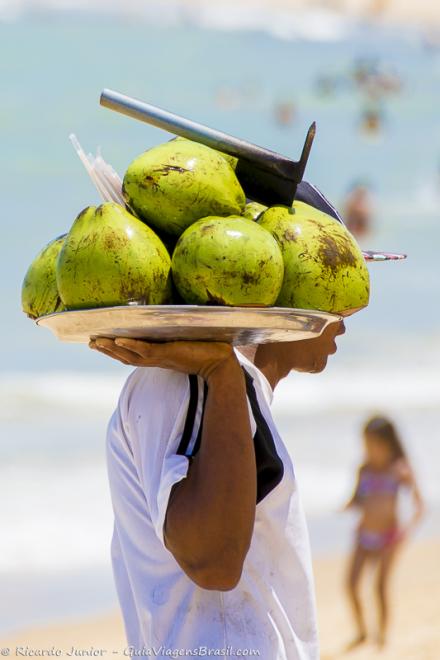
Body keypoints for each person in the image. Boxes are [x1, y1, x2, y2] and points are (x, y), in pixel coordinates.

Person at [90, 319, 346, 659]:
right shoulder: (187, 381)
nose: (342, 324)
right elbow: (214, 562)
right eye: (334, 302)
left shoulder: (229, 384)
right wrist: (219, 371)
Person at [344, 415, 424, 649]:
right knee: (351, 584)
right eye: (364, 445)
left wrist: (406, 531)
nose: (367, 450)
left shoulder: (399, 470)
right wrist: (345, 506)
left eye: (371, 445)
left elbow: (419, 506)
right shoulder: (364, 469)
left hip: (389, 537)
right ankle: (361, 631)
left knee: (379, 587)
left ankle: (382, 636)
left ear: (387, 443)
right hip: (364, 535)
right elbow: (357, 499)